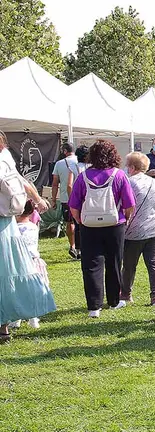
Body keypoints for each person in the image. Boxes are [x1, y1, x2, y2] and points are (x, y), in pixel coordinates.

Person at [68, 140, 136, 318]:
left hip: (89, 226)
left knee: (91, 266)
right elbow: (129, 204)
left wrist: (81, 221)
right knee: (114, 263)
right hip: (115, 225)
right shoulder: (119, 175)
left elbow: (73, 206)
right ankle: (114, 301)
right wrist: (125, 220)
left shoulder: (83, 176)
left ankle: (94, 307)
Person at [0, 130, 55, 343]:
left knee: (5, 273)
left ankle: (3, 325)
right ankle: (3, 326)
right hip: (6, 223)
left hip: (4, 224)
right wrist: (38, 199)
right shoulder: (6, 159)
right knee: (7, 272)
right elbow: (22, 182)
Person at [121, 152, 155, 307]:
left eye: (127, 165)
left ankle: (126, 295)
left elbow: (122, 206)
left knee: (129, 265)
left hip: (134, 231)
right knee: (154, 264)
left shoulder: (128, 183)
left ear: (132, 167)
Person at [9, 200, 49, 330]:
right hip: (34, 262)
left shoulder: (13, 229)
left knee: (17, 291)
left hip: (18, 263)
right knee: (33, 292)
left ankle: (16, 319)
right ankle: (34, 319)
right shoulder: (34, 227)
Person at [51, 143, 78, 258]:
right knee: (81, 223)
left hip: (66, 198)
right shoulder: (81, 162)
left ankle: (72, 245)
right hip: (82, 197)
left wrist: (53, 199)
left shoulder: (59, 163)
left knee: (69, 222)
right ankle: (82, 246)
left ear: (65, 151)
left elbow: (55, 183)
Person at [66, 145, 90, 259]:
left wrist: (72, 199)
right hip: (89, 198)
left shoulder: (74, 167)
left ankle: (79, 249)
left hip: (78, 199)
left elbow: (69, 185)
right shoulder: (91, 167)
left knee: (77, 224)